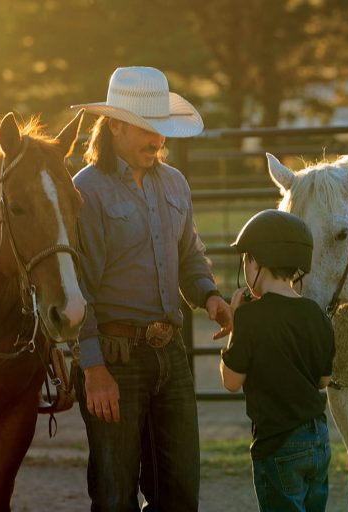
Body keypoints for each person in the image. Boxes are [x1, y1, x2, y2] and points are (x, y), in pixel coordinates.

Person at [70, 66, 233, 511]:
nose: (158, 141)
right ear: (116, 126)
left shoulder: (175, 184)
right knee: (115, 495)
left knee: (180, 493)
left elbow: (190, 257)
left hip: (170, 355)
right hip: (115, 358)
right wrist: (93, 369)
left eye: (160, 130)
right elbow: (78, 287)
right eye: (147, 130)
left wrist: (210, 296)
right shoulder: (86, 192)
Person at [220, 209, 335, 512]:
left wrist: (235, 325)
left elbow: (231, 381)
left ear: (255, 261)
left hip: (279, 441)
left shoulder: (251, 318)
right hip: (318, 439)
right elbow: (323, 380)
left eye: (246, 259)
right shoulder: (316, 314)